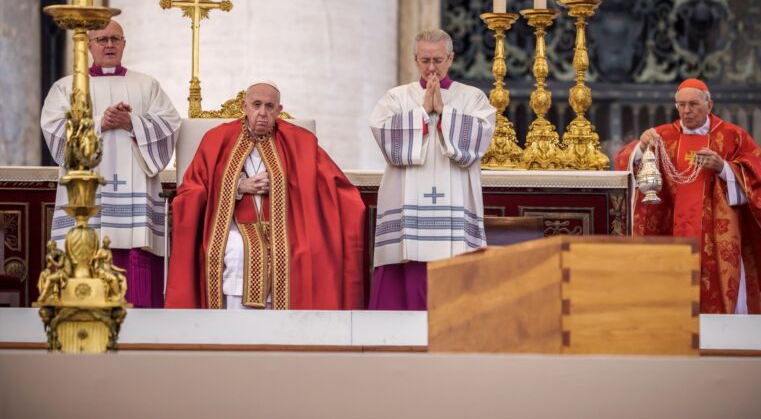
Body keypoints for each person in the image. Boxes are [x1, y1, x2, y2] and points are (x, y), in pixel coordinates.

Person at [165, 82, 365, 310]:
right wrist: (237, 186)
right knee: (238, 250)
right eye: (256, 105)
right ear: (245, 106)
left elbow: (329, 183)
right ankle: (233, 323)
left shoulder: (300, 141)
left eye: (269, 107)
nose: (262, 113)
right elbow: (193, 187)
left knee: (301, 252)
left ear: (279, 110)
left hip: (288, 226)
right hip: (232, 225)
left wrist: (286, 186)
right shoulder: (217, 139)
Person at [615, 78, 761, 314]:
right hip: (671, 233)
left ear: (709, 105)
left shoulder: (733, 137)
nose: (686, 111)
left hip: (718, 237)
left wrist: (723, 168)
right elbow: (625, 164)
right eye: (680, 105)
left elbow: (757, 184)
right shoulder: (662, 136)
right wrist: (640, 147)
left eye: (693, 104)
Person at [41, 19, 180, 308]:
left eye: (115, 39)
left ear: (124, 44)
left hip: (135, 191)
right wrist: (99, 123)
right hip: (86, 192)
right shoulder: (66, 88)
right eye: (102, 39)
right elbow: (53, 129)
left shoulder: (147, 85)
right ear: (88, 45)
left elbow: (170, 125)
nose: (109, 45)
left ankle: (142, 329)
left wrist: (133, 123)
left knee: (135, 252)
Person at [368, 29, 496, 310]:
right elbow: (384, 135)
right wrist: (424, 114)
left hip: (455, 204)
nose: (431, 68)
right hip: (408, 204)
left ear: (451, 59)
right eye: (425, 60)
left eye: (438, 60)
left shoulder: (472, 98)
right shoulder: (396, 98)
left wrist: (444, 114)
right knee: (406, 260)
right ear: (415, 59)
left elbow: (479, 140)